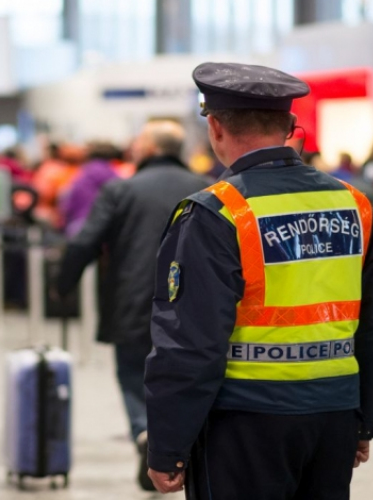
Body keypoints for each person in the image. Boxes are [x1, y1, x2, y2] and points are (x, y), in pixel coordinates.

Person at [145, 62, 373, 498]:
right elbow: (371, 323)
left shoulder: (218, 213)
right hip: (333, 415)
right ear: (290, 126)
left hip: (245, 421)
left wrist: (168, 446)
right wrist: (363, 417)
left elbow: (190, 341)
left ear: (214, 127)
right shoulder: (354, 204)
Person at [56, 121, 209, 491]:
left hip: (132, 299)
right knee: (189, 374)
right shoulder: (208, 189)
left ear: (150, 148)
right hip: (194, 304)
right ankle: (181, 447)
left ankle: (144, 432)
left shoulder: (120, 189)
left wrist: (62, 285)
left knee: (132, 374)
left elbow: (84, 242)